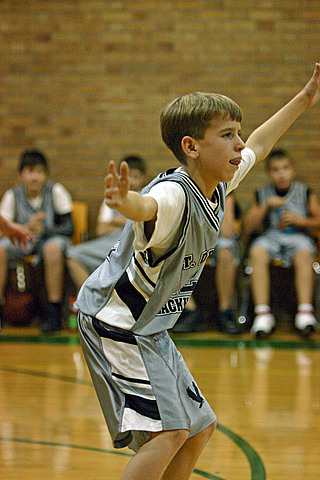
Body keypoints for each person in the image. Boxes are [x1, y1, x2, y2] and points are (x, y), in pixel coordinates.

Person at [76, 63, 320, 480]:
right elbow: (148, 207)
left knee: (199, 428)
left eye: (238, 133)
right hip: (115, 321)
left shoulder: (218, 183)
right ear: (191, 147)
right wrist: (124, 203)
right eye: (228, 135)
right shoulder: (174, 194)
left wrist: (305, 98)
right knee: (170, 432)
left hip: (149, 326)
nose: (240, 144)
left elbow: (262, 141)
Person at [243, 148, 320, 339]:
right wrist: (266, 206)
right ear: (269, 173)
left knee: (304, 253)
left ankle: (305, 313)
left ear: (292, 170)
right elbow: (247, 227)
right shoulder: (262, 194)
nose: (281, 173)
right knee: (257, 252)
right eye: (276, 170)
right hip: (271, 237)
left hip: (298, 237)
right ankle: (262, 314)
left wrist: (300, 220)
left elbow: (318, 220)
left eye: (285, 168)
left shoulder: (305, 192)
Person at [0, 149, 74, 333]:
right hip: (23, 240)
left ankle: (54, 311)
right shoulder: (12, 195)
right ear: (21, 174)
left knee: (52, 249)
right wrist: (26, 228)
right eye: (30, 171)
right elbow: (4, 229)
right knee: (0, 249)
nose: (35, 177)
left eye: (40, 172)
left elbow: (69, 228)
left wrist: (44, 229)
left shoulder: (56, 190)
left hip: (50, 239)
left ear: (46, 175)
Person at [66, 155, 147, 292]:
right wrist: (130, 221)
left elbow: (145, 226)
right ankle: (92, 300)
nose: (131, 182)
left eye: (135, 177)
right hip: (111, 244)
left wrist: (117, 221)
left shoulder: (147, 197)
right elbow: (101, 229)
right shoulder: (112, 197)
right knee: (72, 254)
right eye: (128, 176)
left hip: (136, 246)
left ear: (143, 178)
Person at [172, 192, 242, 334]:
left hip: (219, 240)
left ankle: (225, 311)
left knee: (226, 252)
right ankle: (190, 310)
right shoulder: (187, 188)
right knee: (173, 249)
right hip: (194, 238)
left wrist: (225, 201)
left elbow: (227, 232)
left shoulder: (226, 192)